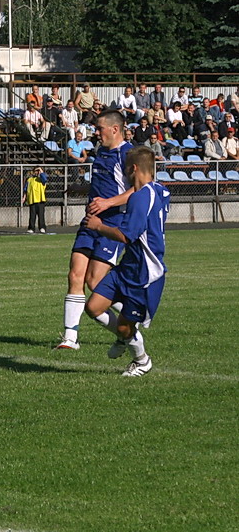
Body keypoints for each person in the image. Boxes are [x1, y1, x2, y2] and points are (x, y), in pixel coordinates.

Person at [83, 146, 169, 377]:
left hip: (144, 273)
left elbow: (126, 235)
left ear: (132, 168)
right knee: (93, 307)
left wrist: (98, 226)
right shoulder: (159, 190)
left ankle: (141, 360)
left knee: (123, 325)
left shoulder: (141, 198)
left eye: (124, 169)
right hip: (128, 265)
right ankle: (124, 337)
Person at [56, 109, 133, 351]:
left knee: (95, 280)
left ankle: (130, 324)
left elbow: (141, 189)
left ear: (115, 129)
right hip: (90, 220)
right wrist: (83, 189)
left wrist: (108, 203)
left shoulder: (129, 153)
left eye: (99, 129)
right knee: (75, 275)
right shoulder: (101, 152)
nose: (96, 133)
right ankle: (70, 338)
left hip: (113, 223)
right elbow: (104, 184)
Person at [22, 166, 48, 234]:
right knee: (32, 216)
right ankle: (31, 228)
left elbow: (45, 179)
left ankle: (42, 227)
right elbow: (26, 189)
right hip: (32, 200)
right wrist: (24, 197)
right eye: (36, 171)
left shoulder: (42, 179)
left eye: (38, 171)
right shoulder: (29, 180)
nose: (37, 172)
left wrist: (40, 170)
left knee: (41, 215)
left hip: (40, 200)